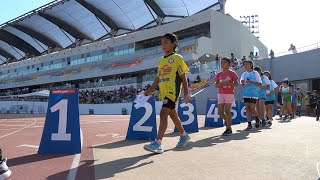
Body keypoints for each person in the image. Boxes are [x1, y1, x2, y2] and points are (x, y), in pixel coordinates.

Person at [143, 33, 191, 154]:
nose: (163, 45)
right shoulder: (161, 60)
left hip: (173, 92)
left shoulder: (177, 58)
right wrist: (151, 89)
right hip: (163, 92)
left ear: (174, 44)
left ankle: (158, 143)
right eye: (162, 43)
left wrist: (186, 93)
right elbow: (158, 77)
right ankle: (184, 135)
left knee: (163, 113)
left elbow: (183, 77)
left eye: (166, 42)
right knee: (173, 115)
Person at [214, 57, 238, 136]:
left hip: (229, 94)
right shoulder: (218, 74)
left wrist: (227, 84)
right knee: (220, 112)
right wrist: (219, 84)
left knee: (227, 111)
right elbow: (216, 85)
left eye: (224, 62)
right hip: (221, 94)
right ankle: (228, 123)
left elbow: (236, 84)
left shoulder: (232, 73)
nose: (222, 64)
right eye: (221, 62)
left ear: (229, 64)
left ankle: (229, 128)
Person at [240, 60, 262, 130]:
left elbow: (260, 84)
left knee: (252, 107)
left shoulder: (255, 73)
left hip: (254, 93)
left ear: (251, 65)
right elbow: (242, 84)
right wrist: (243, 83)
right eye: (244, 64)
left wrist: (252, 82)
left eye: (246, 64)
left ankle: (257, 119)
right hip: (246, 93)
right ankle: (249, 124)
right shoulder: (244, 74)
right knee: (247, 108)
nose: (245, 66)